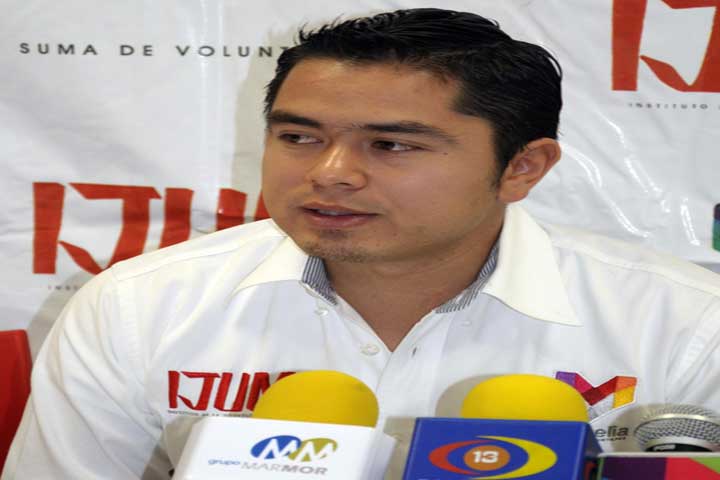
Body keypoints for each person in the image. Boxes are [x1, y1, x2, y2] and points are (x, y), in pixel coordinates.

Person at [4, 7, 720, 480]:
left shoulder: (686, 324)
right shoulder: (138, 307)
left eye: (392, 144)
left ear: (523, 167)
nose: (331, 173)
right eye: (298, 136)